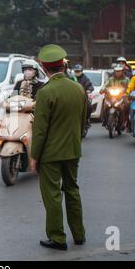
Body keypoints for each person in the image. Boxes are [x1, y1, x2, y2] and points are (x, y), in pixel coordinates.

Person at [31, 44, 86, 251]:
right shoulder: (78, 88)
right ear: (63, 65)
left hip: (51, 154)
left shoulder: (46, 92)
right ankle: (79, 235)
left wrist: (34, 156)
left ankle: (57, 238)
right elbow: (82, 122)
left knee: (53, 195)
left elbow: (40, 129)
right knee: (72, 190)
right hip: (73, 150)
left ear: (44, 68)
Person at [100, 64, 130, 129]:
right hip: (111, 97)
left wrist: (127, 92)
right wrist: (102, 90)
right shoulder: (110, 79)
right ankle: (105, 119)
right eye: (116, 71)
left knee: (127, 104)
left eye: (119, 71)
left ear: (122, 71)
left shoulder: (127, 79)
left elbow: (130, 87)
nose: (118, 73)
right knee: (104, 103)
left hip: (122, 96)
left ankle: (126, 121)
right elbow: (105, 85)